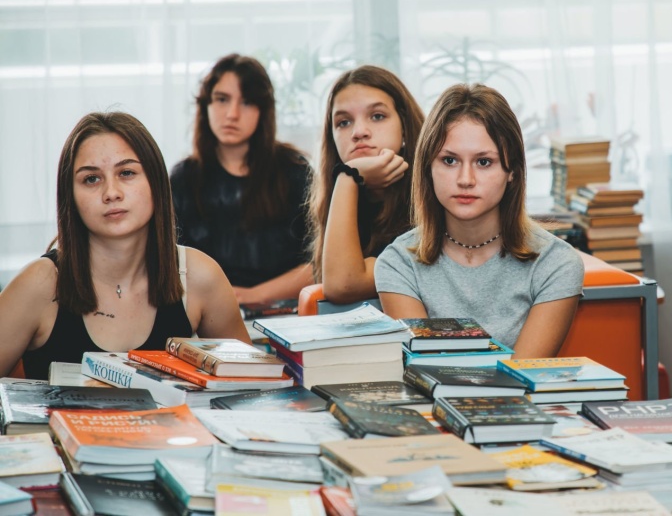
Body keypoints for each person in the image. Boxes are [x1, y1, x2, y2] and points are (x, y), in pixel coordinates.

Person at [0, 112, 250, 380]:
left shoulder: (199, 276)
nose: (111, 193)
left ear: (156, 182)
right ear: (70, 196)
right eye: (91, 179)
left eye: (127, 173)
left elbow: (254, 388)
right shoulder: (39, 283)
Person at [374, 83, 584, 358]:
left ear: (512, 171)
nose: (465, 179)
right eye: (449, 160)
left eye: (484, 162)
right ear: (428, 168)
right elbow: (428, 371)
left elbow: (520, 376)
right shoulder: (398, 263)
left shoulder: (556, 264)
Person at [170, 54, 313, 304]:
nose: (232, 114)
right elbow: (170, 264)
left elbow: (319, 262)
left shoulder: (295, 171)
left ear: (263, 111)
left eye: (247, 102)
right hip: (206, 312)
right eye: (222, 99)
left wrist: (251, 296)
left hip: (288, 313)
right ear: (206, 104)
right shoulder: (183, 179)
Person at [308, 65, 425, 303]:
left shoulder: (435, 195)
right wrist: (348, 179)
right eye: (344, 122)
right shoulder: (338, 196)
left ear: (404, 127)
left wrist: (348, 175)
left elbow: (343, 285)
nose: (359, 132)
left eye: (377, 116)